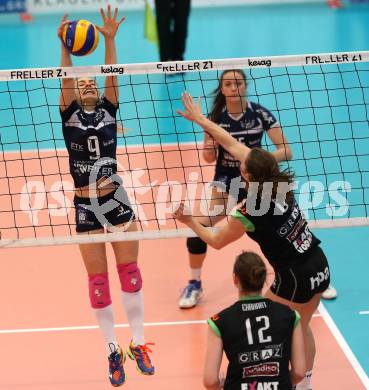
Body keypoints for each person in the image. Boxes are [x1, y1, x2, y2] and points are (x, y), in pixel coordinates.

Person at [174, 91, 332, 390]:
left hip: (296, 277)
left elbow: (216, 240)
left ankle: (261, 381)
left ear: (246, 176)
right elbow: (232, 144)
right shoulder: (278, 179)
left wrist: (189, 220)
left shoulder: (249, 211)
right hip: (319, 263)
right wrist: (200, 119)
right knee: (303, 326)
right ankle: (305, 385)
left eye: (243, 166)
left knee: (261, 325)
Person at [58, 7, 154, 387]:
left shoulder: (110, 112)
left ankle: (140, 344)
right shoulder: (69, 117)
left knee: (130, 275)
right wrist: (64, 45)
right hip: (85, 205)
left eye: (92, 84)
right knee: (98, 282)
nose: (87, 85)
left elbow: (112, 76)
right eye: (82, 84)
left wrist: (110, 40)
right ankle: (113, 350)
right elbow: (66, 78)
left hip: (115, 199)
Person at [179, 69, 292, 309]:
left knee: (285, 225)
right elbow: (209, 158)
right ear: (222, 89)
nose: (233, 88)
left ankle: (297, 269)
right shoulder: (215, 118)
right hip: (226, 182)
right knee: (198, 227)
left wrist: (256, 161)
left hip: (257, 181)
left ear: (245, 86)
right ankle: (194, 283)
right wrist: (209, 148)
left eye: (238, 83)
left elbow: (286, 150)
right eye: (228, 84)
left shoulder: (260, 113)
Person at [203, 251, 306, 390]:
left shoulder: (219, 321)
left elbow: (210, 381)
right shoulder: (290, 315)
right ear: (264, 280)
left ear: (235, 279)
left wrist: (222, 384)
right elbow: (299, 373)